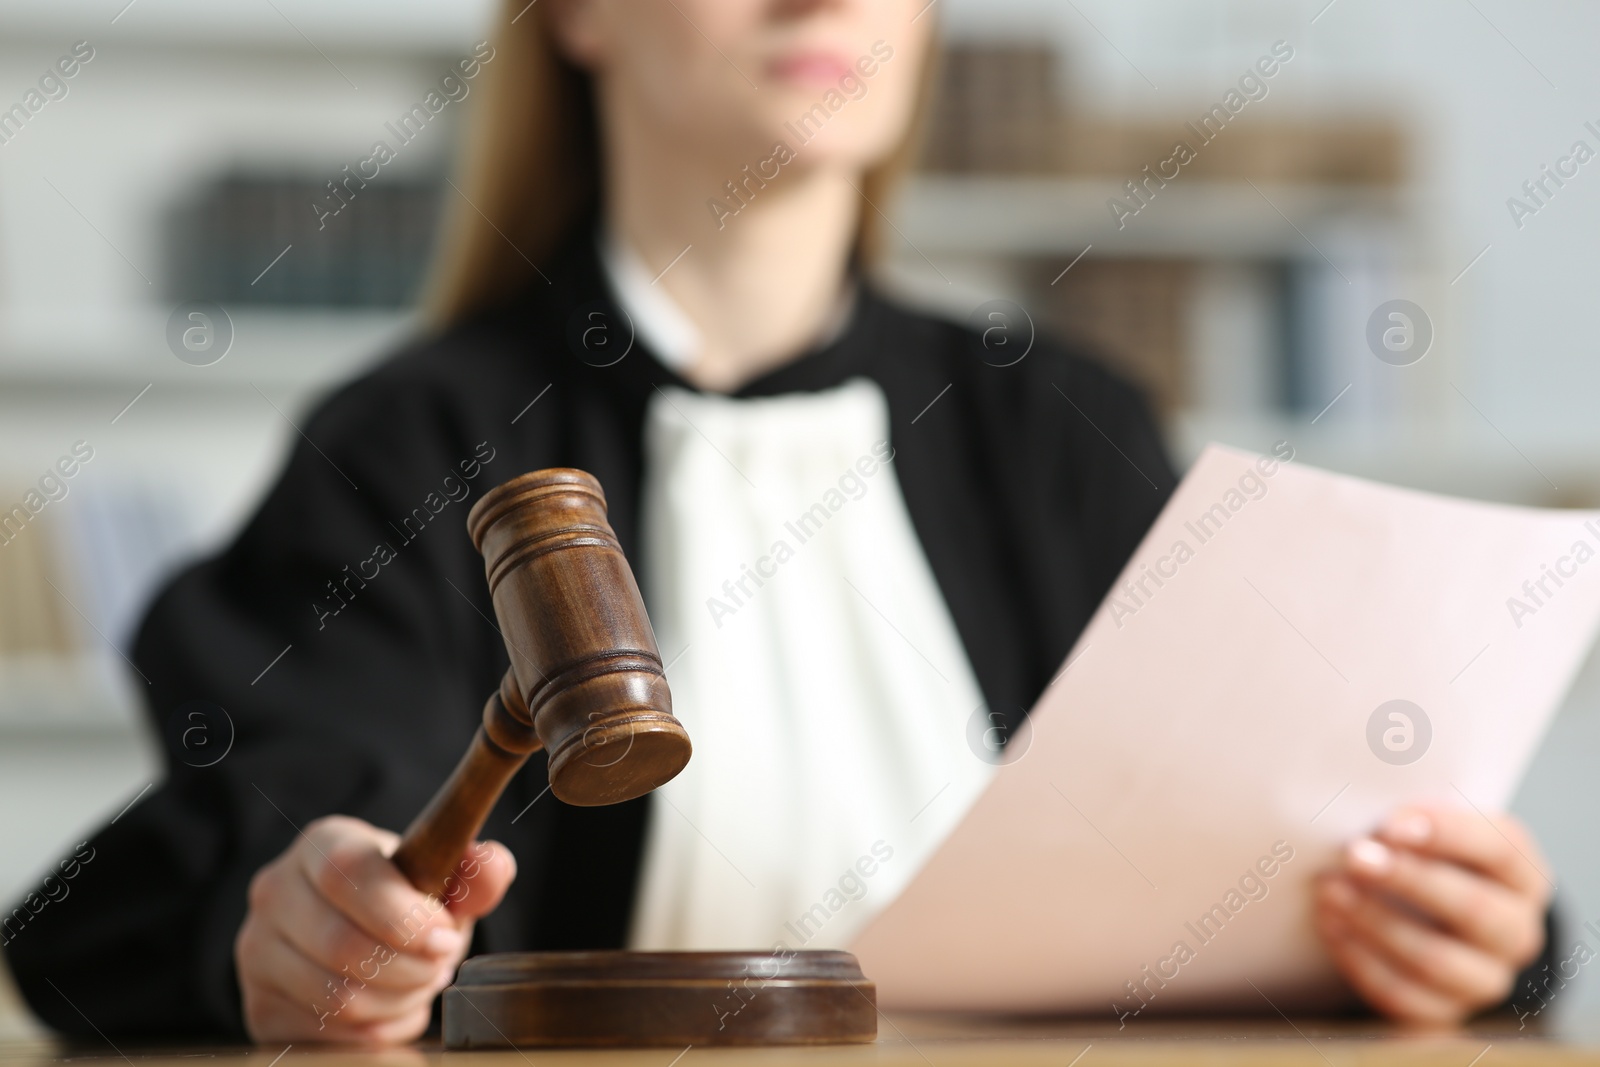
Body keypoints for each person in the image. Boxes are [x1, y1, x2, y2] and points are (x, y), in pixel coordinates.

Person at [5, 0, 1554, 1045]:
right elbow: (214, 863)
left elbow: (1261, 857)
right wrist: (290, 924)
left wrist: (1455, 936)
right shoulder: (411, 444)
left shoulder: (1054, 424)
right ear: (583, 16)